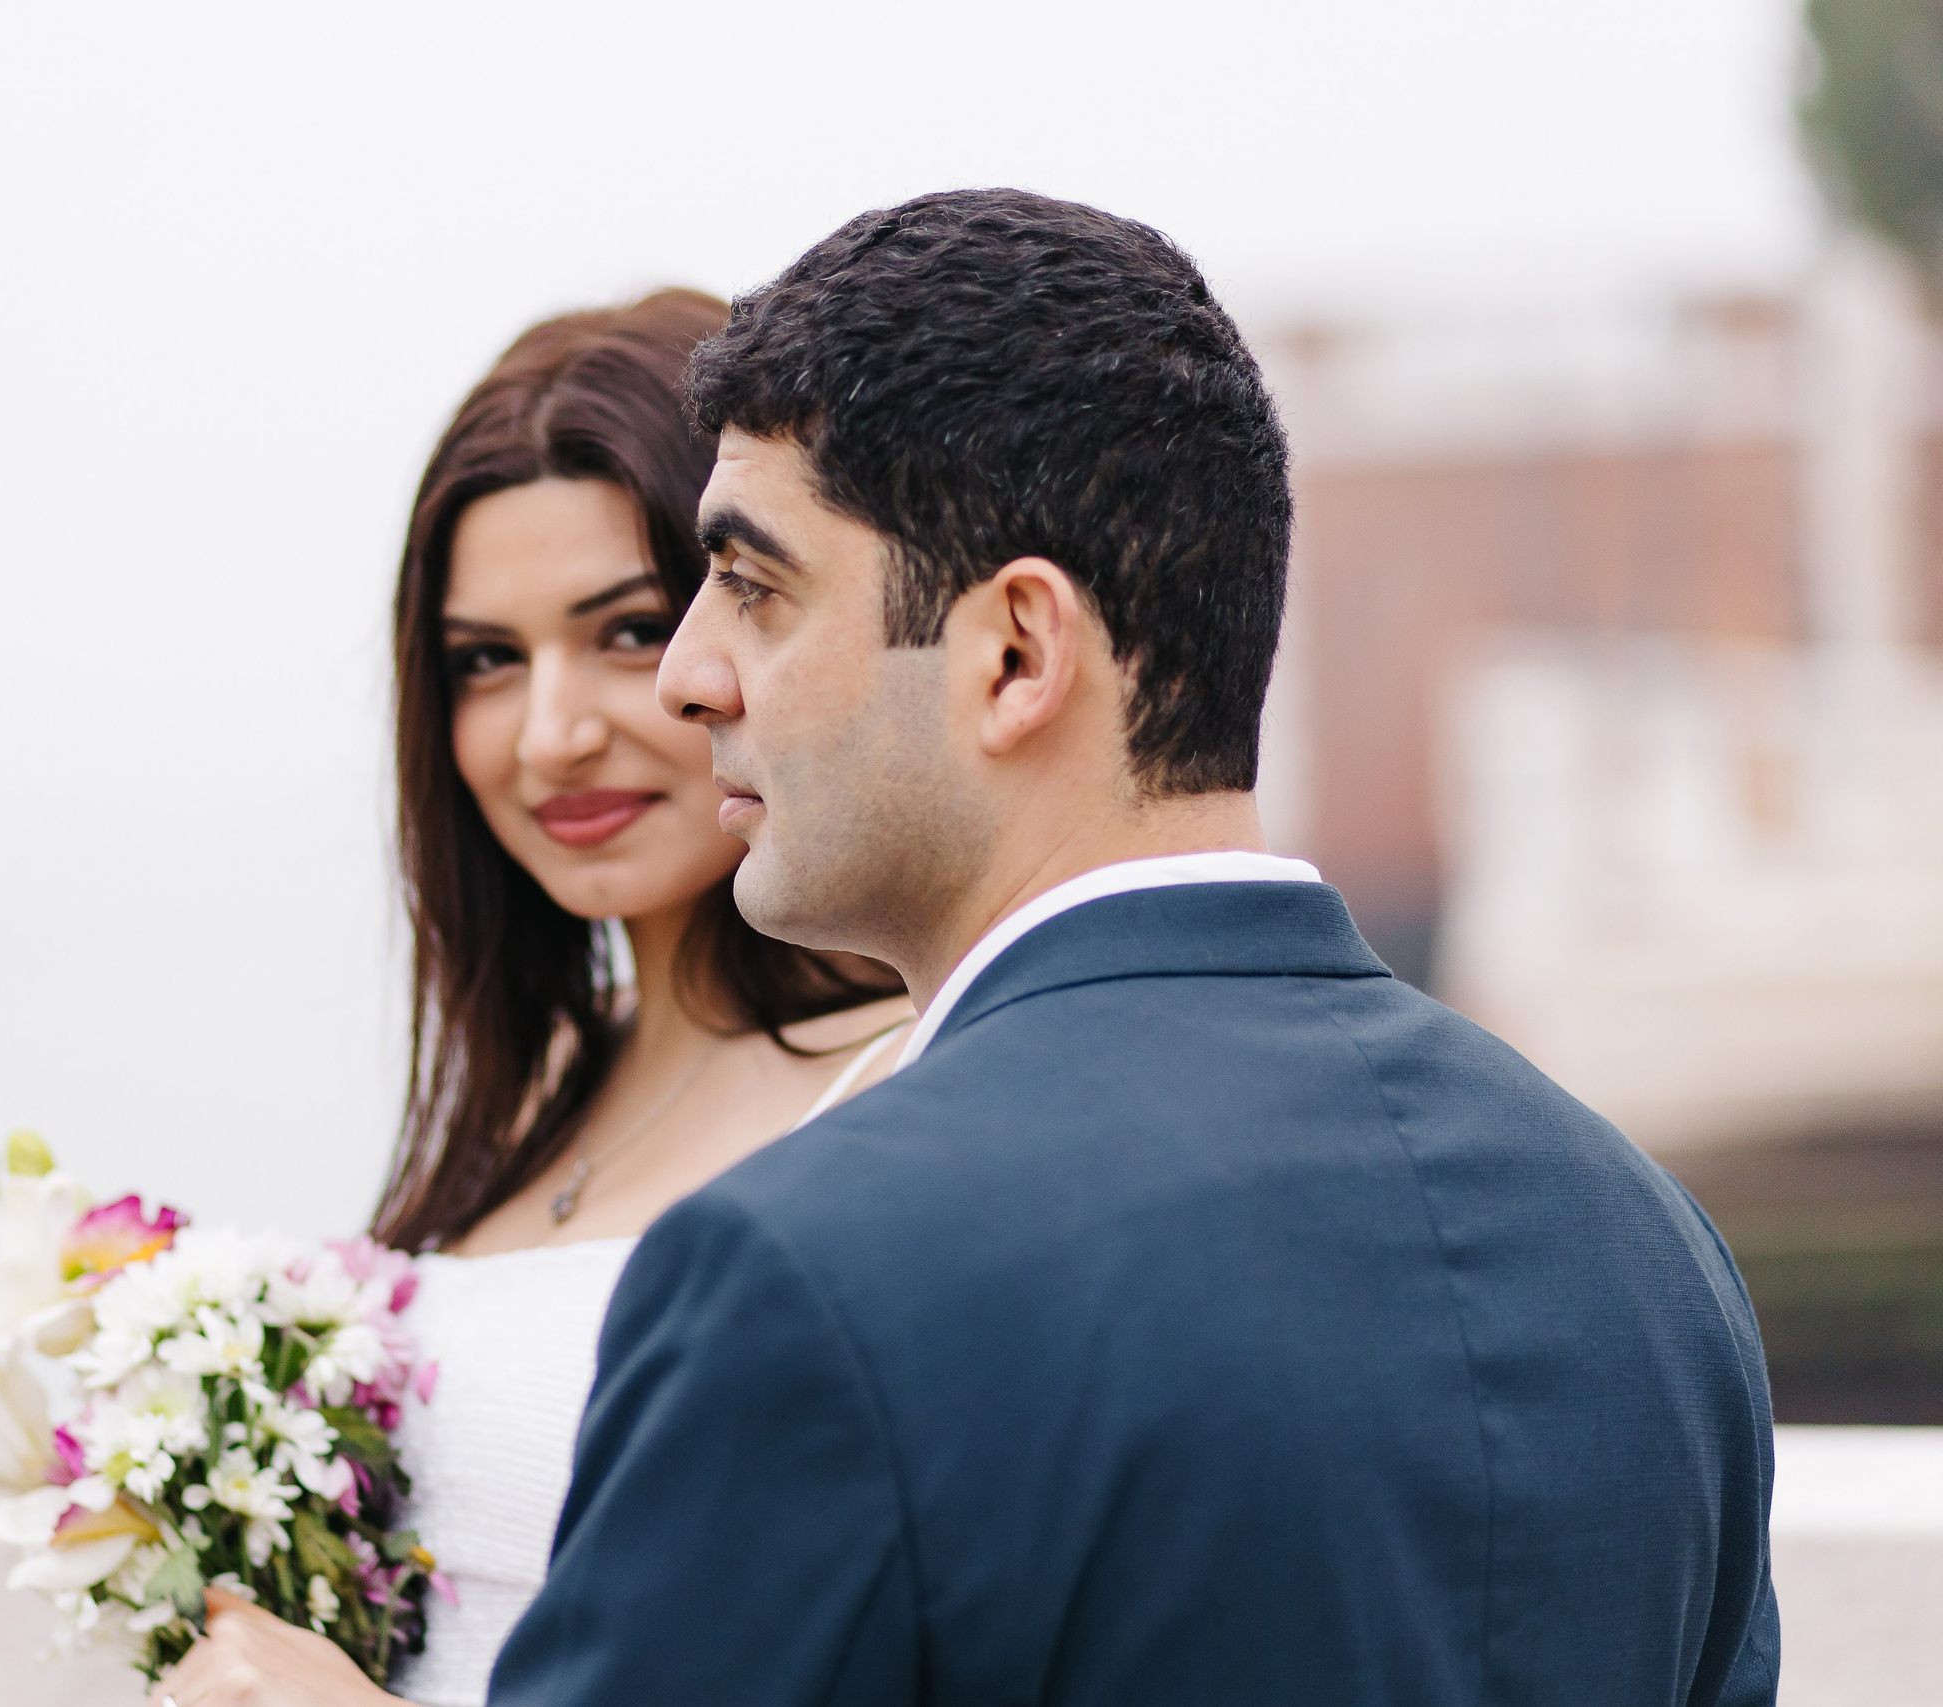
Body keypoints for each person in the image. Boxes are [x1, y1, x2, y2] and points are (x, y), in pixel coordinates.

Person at [473, 191, 1774, 1704]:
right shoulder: (1650, 1249)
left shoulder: (804, 1274)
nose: (693, 675)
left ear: (1016, 652)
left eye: (756, 587)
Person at [150, 291, 911, 1707]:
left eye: (625, 631)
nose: (552, 735)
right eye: (485, 661)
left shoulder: (901, 1101)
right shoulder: (540, 1090)